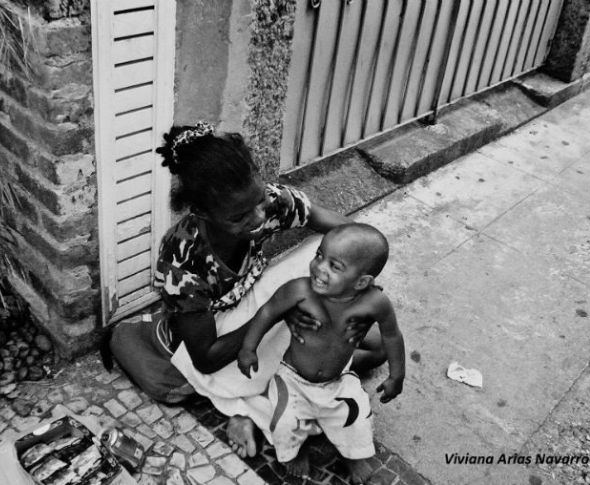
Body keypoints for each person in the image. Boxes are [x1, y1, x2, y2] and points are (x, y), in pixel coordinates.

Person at [106, 122, 386, 458]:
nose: (257, 218)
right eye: (239, 216)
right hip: (224, 336)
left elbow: (353, 236)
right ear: (203, 212)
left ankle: (255, 400)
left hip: (266, 307)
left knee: (376, 347)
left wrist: (356, 287)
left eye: (258, 202)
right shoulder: (183, 259)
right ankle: (251, 410)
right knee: (178, 384)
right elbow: (207, 359)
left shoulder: (270, 203)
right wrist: (280, 312)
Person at [237, 223, 405, 483]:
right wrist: (248, 348)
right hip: (292, 379)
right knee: (286, 422)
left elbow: (392, 335)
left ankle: (353, 457)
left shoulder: (374, 303)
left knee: (356, 417)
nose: (319, 267)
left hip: (338, 379)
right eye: (319, 256)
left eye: (334, 266)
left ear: (362, 281)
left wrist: (397, 375)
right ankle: (297, 450)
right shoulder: (299, 291)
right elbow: (268, 312)